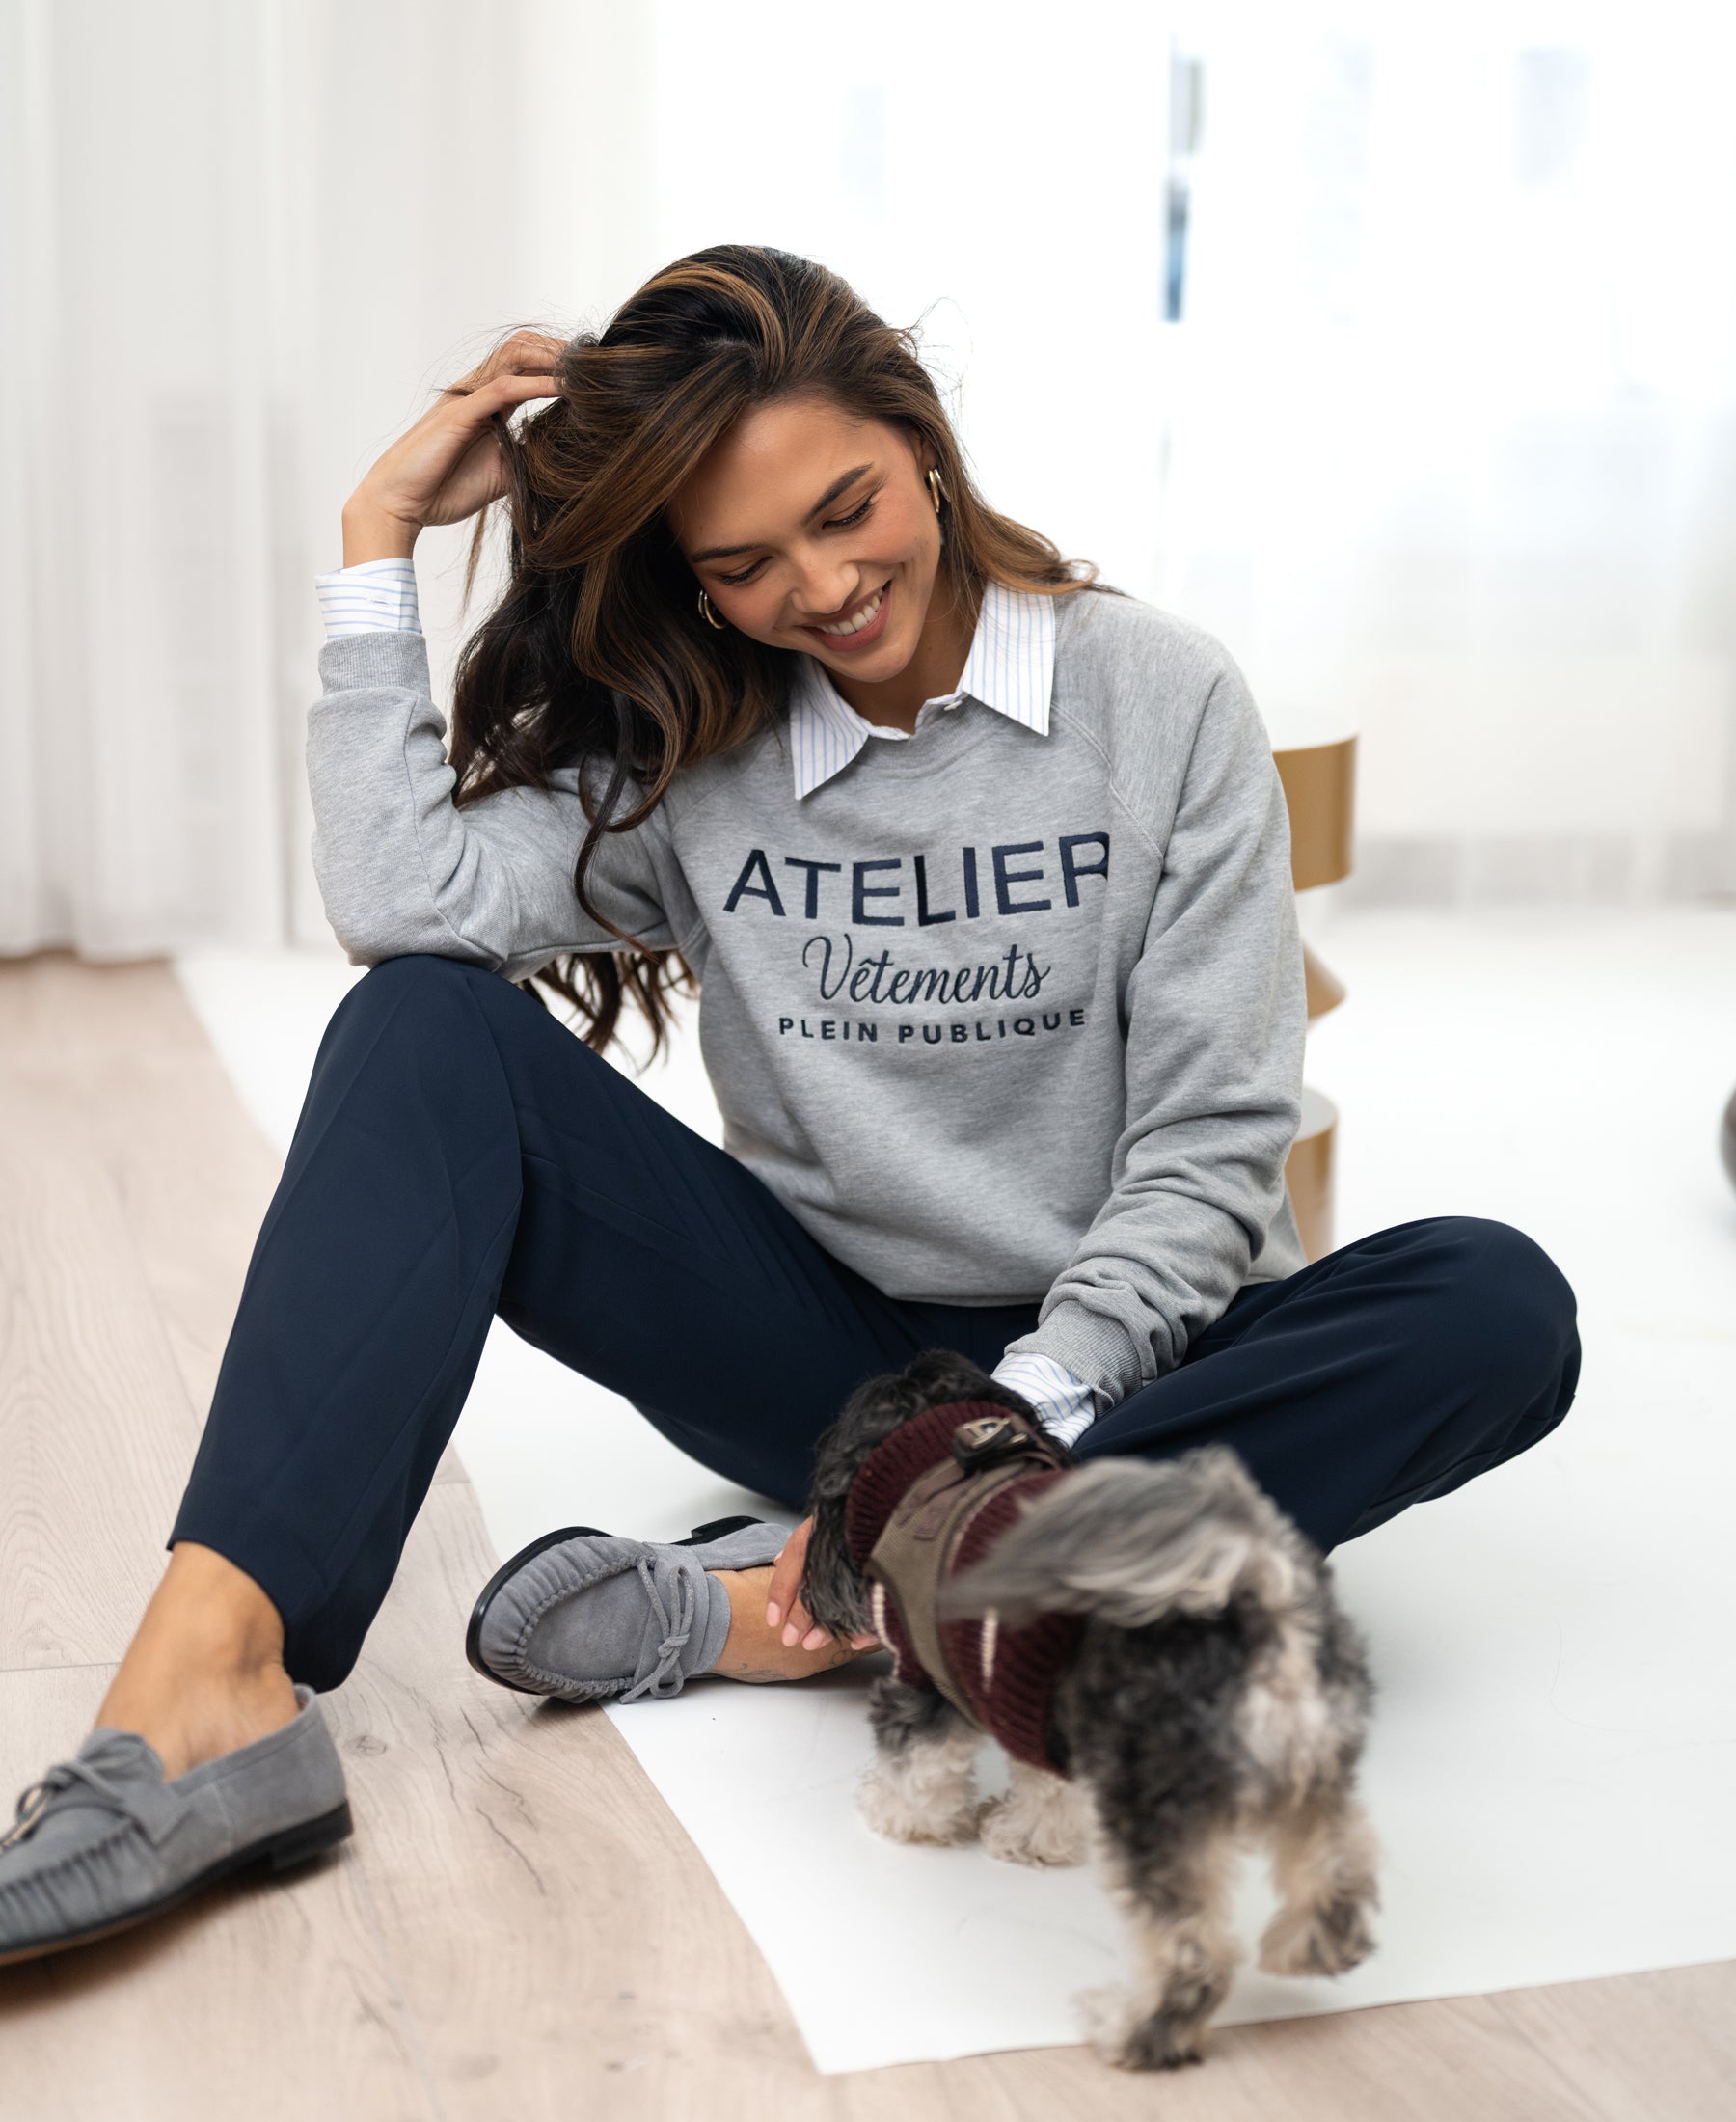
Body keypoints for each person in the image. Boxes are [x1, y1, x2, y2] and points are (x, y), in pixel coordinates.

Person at [0, 246, 1580, 1967]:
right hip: (839, 1375)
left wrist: (1014, 1433)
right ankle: (206, 1689)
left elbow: (1210, 1147)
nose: (824, 587)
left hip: (1124, 1362)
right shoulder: (700, 737)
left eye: (845, 510)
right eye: (744, 565)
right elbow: (408, 903)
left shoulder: (1160, 699)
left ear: (919, 438)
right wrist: (374, 548)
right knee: (419, 1031)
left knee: (1495, 1301)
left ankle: (791, 1604)